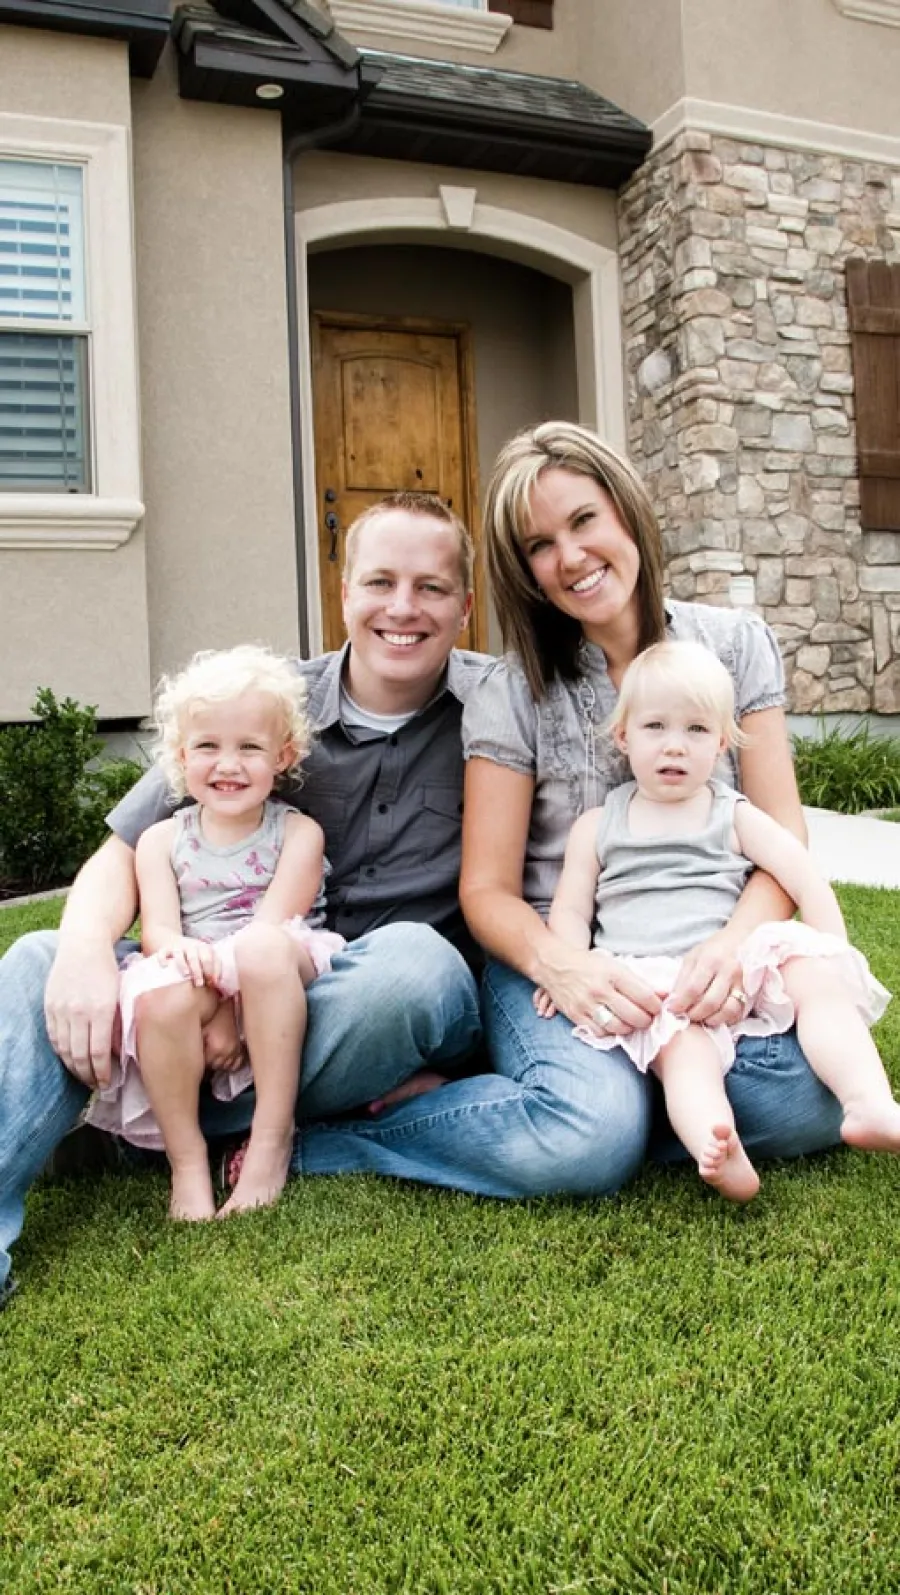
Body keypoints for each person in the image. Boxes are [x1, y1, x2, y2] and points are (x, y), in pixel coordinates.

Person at [0, 492, 486, 1302]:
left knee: (415, 966)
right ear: (344, 593)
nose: (403, 607)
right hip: (198, 982)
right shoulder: (258, 704)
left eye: (432, 587)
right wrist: (89, 949)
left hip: (354, 1001)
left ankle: (147, 1126)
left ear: (467, 607)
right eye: (380, 582)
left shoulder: (496, 711)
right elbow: (120, 857)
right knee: (39, 956)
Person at [456, 418, 845, 1193]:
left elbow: (782, 829)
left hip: (701, 947)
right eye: (539, 545)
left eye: (583, 520)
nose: (570, 556)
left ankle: (628, 1098)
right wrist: (562, 964)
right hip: (555, 950)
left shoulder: (734, 645)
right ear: (525, 571)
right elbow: (486, 889)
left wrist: (733, 945)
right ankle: (352, 1135)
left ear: (626, 510)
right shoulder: (513, 688)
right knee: (590, 1141)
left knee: (811, 1104)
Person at [534, 639, 893, 1202]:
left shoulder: (732, 814)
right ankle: (719, 1149)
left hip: (733, 964)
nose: (675, 746)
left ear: (723, 743)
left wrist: (834, 951)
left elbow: (801, 873)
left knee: (814, 975)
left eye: (697, 730)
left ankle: (868, 1102)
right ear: (623, 736)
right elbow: (573, 908)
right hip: (653, 979)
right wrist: (566, 967)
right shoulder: (598, 826)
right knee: (685, 1058)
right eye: (656, 726)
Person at [85, 644, 346, 1221]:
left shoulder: (298, 834)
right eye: (207, 746)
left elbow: (272, 926)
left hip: (278, 961)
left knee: (259, 948)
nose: (227, 765)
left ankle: (270, 1140)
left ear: (284, 755)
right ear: (180, 756)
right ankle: (187, 1160)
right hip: (201, 965)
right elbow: (158, 931)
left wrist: (229, 1011)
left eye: (249, 747)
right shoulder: (158, 841)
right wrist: (192, 975)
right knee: (160, 998)